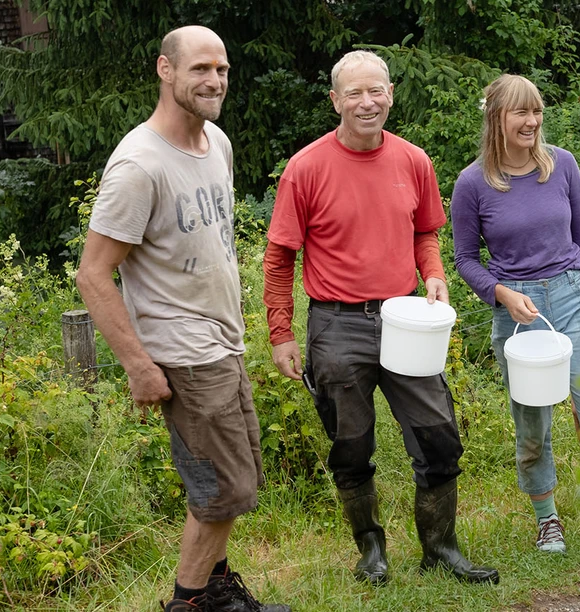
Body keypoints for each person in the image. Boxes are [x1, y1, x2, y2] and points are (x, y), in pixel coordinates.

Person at [262, 50, 497, 586]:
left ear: (390, 94)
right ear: (335, 101)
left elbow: (425, 232)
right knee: (350, 446)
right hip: (336, 326)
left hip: (405, 319)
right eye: (354, 93)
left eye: (376, 91)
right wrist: (281, 334)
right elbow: (279, 259)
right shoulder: (305, 168)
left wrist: (432, 273)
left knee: (439, 436)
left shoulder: (413, 160)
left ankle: (441, 548)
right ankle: (371, 551)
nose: (366, 103)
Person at [75, 26, 288, 612]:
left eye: (221, 69)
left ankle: (216, 592)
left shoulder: (216, 143)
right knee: (223, 491)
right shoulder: (139, 165)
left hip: (222, 342)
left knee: (230, 478)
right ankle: (189, 604)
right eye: (200, 69)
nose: (214, 80)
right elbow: (93, 274)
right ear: (165, 70)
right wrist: (138, 366)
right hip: (183, 352)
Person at [451, 74, 580, 555]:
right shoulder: (472, 183)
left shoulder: (562, 165)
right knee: (532, 422)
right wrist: (500, 294)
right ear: (496, 118)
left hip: (575, 296)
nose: (532, 121)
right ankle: (547, 519)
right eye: (521, 112)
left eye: (537, 111)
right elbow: (465, 259)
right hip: (518, 311)